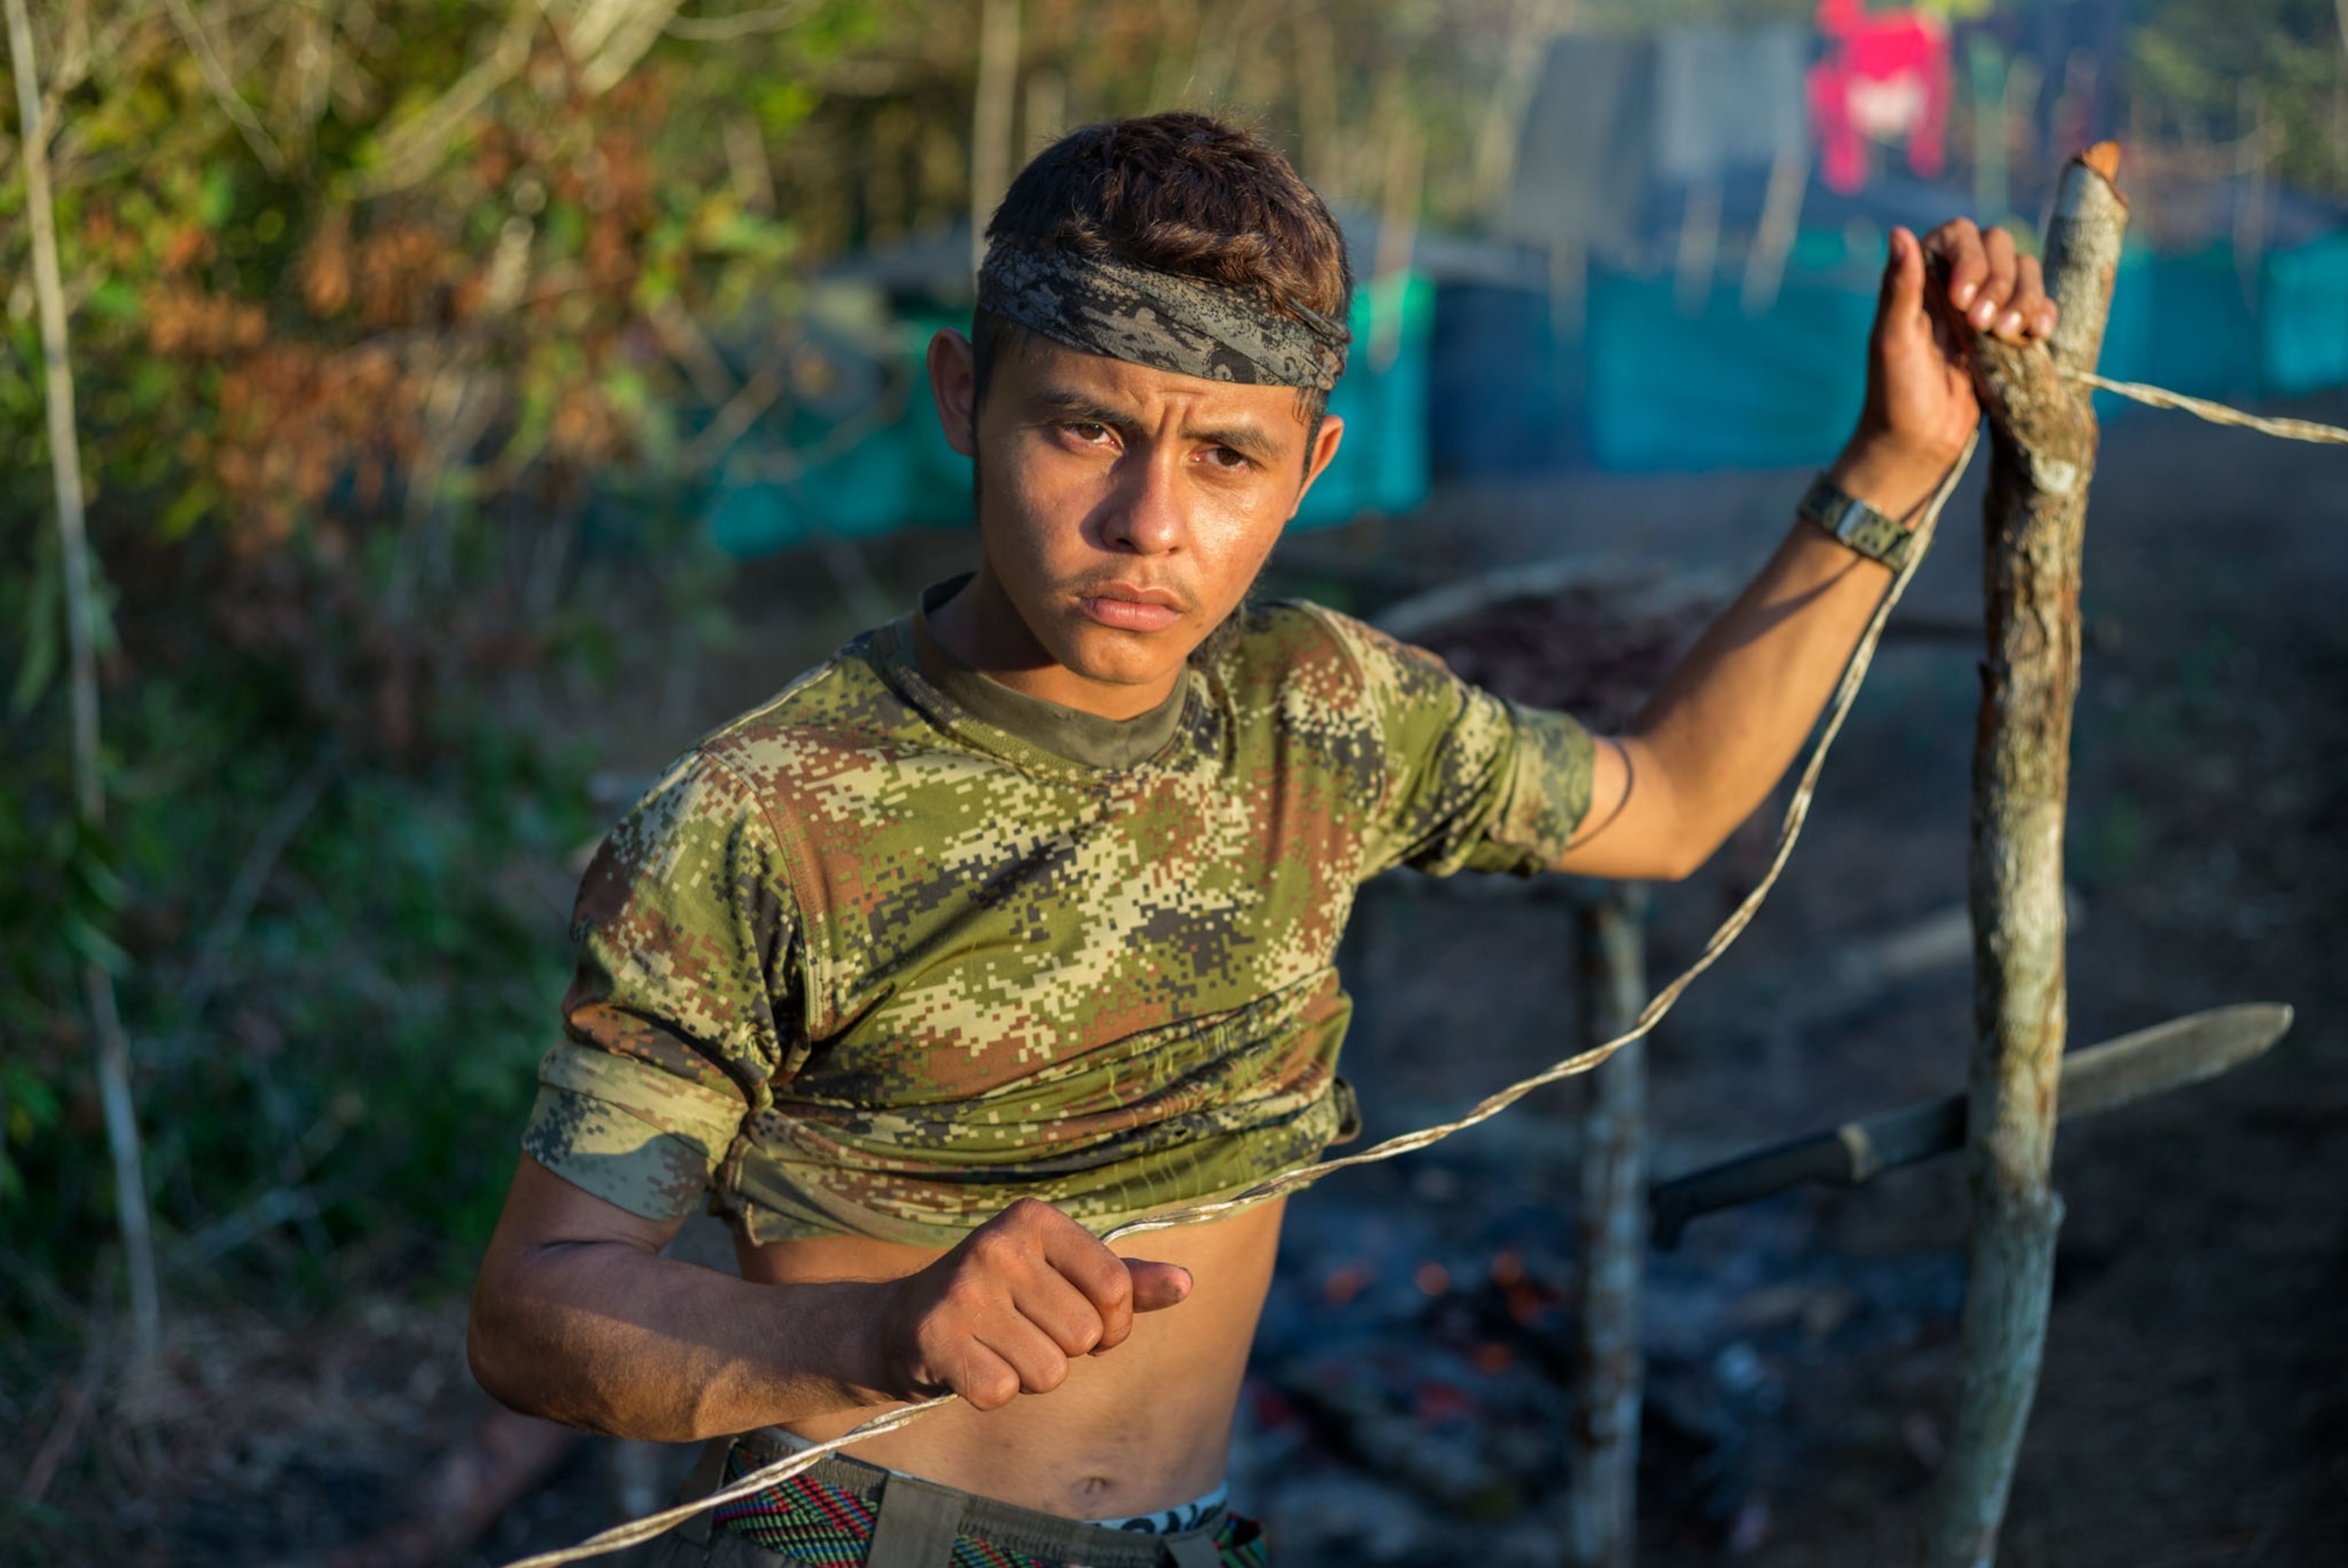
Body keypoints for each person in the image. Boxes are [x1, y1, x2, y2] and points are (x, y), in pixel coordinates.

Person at [467, 112, 2056, 1568]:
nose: (1150, 523)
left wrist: (1894, 466)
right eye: (1085, 430)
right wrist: (869, 1336)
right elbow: (535, 1313)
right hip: (865, 1539)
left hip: (1195, 1537)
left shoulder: (1319, 713)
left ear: (1311, 468)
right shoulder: (767, 816)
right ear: (964, 397)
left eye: (1226, 456)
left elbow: (1674, 802)